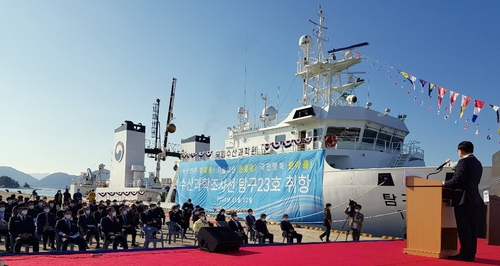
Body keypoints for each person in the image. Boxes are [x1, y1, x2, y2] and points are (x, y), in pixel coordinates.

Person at [443, 141, 483, 262]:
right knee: (472, 228)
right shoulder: (478, 163)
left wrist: (444, 183)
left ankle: (465, 254)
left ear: (461, 150)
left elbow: (457, 180)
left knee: (464, 228)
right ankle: (471, 253)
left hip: (463, 200)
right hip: (475, 199)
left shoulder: (463, 162)